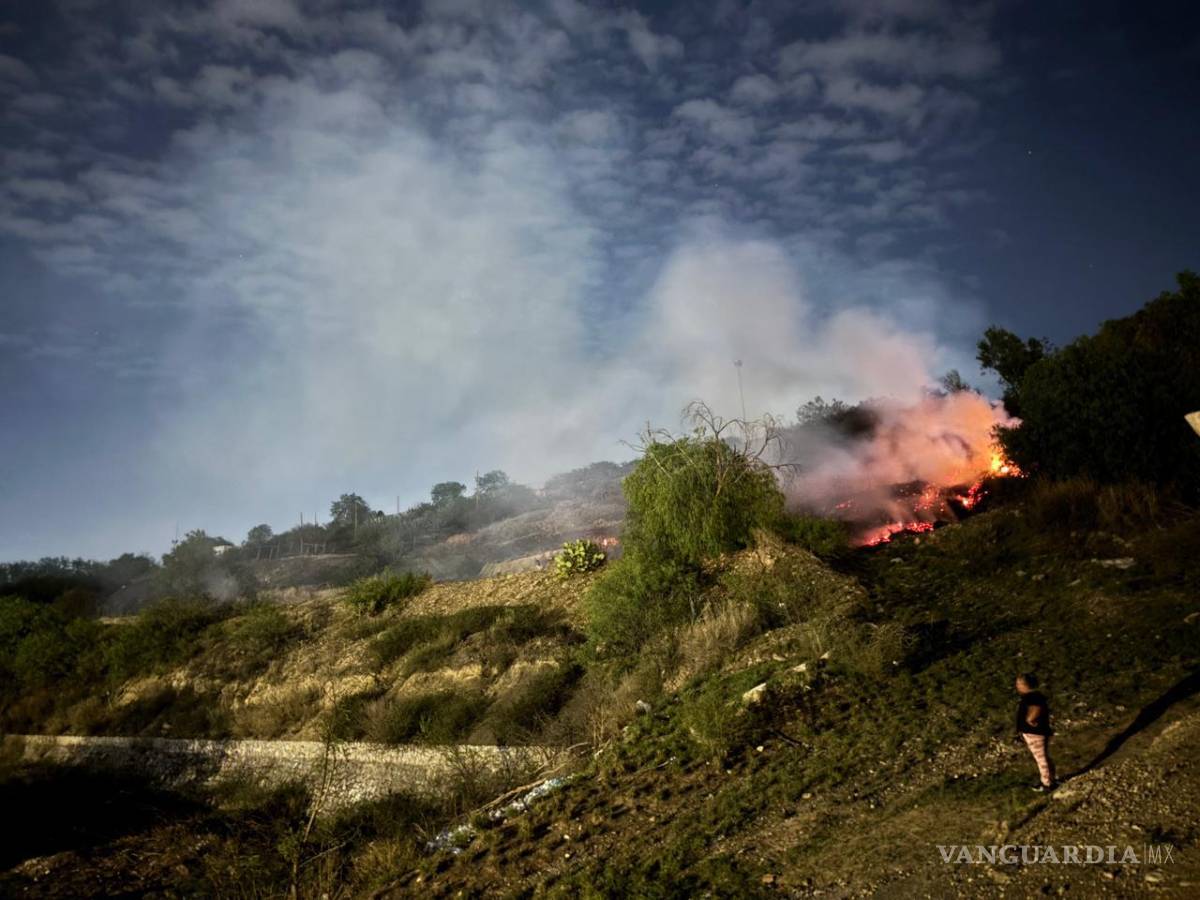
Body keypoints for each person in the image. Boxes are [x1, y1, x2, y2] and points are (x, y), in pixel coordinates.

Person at [1015, 672, 1057, 791]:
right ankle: (1050, 779)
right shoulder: (1034, 696)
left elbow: (1036, 708)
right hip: (1035, 732)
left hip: (1034, 733)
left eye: (1019, 684)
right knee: (1043, 757)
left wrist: (1030, 719)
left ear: (1025, 685)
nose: (1017, 686)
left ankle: (1047, 784)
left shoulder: (1032, 697)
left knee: (1041, 758)